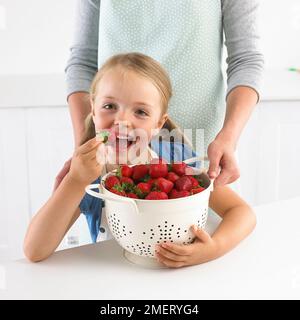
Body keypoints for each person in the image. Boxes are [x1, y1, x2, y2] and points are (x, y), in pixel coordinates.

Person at [24, 53, 256, 267]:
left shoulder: (176, 158)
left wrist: (213, 249)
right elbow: (34, 250)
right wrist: (75, 180)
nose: (122, 120)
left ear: (158, 124)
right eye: (109, 106)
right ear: (93, 110)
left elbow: (241, 212)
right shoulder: (86, 173)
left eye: (141, 112)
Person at [60, 0, 264, 190]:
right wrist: (84, 146)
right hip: (112, 155)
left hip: (201, 147)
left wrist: (229, 137)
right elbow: (83, 62)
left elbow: (246, 60)